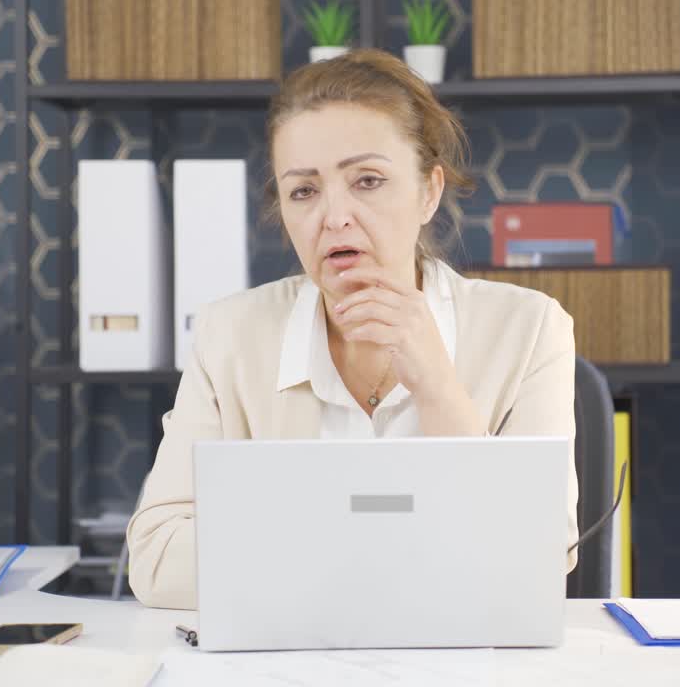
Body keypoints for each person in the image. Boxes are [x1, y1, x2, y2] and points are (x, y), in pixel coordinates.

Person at [125, 48, 579, 610]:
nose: (334, 216)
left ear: (428, 191)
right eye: (304, 190)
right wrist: (379, 553)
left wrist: (438, 388)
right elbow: (157, 559)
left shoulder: (530, 330)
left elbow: (536, 559)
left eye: (367, 180)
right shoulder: (230, 336)